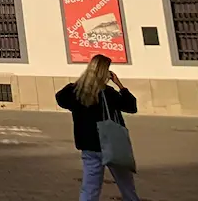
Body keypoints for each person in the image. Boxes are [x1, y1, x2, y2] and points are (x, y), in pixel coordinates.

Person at [56, 56, 141, 201]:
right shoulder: (108, 93)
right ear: (105, 73)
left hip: (88, 145)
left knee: (89, 188)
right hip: (111, 144)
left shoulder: (75, 91)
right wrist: (119, 84)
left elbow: (60, 99)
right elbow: (131, 107)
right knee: (126, 185)